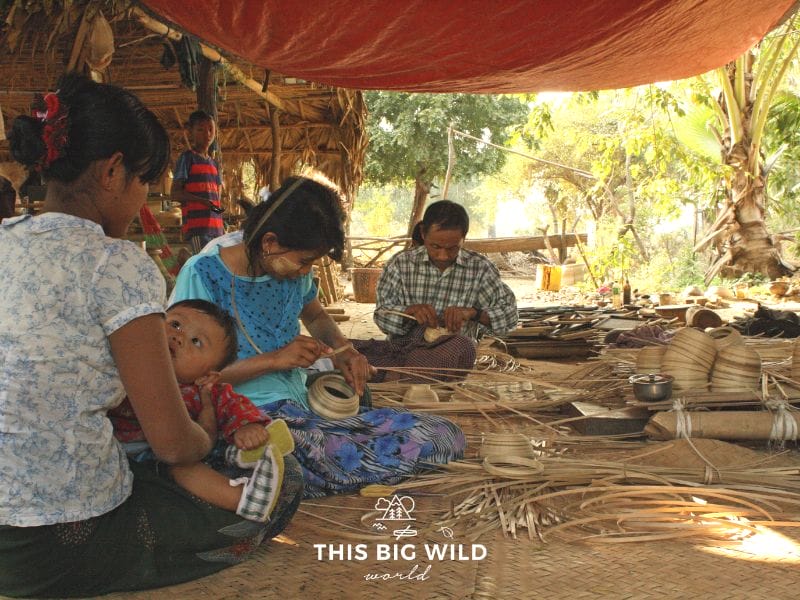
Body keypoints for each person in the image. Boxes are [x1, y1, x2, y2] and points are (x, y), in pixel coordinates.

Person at [0, 74, 302, 598]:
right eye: (145, 182)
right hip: (46, 546)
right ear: (114, 171)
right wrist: (206, 433)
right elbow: (170, 442)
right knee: (283, 484)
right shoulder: (118, 264)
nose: (144, 197)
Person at [171, 174, 466, 497]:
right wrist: (274, 360)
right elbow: (186, 378)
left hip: (302, 412)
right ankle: (255, 467)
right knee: (289, 451)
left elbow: (314, 314)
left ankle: (281, 473)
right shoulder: (203, 274)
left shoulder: (290, 273)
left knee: (444, 435)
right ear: (270, 243)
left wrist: (345, 352)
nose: (305, 271)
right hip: (243, 420)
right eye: (304, 261)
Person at [110, 299, 289, 524]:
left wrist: (247, 426)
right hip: (112, 454)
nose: (179, 337)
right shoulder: (126, 365)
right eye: (175, 324)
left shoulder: (203, 390)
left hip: (166, 460)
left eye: (196, 341)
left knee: (185, 469)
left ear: (207, 376)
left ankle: (243, 499)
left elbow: (235, 405)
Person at [355, 200, 518, 382]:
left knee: (462, 346)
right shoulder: (400, 264)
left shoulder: (480, 269)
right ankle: (404, 375)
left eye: (452, 248)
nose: (443, 255)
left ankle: (395, 376)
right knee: (347, 350)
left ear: (464, 238)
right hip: (402, 351)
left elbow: (510, 315)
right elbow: (381, 316)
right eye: (436, 247)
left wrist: (473, 313)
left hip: (448, 357)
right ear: (423, 234)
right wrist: (408, 312)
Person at [171, 110, 225, 254]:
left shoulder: (214, 164)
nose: (207, 134)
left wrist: (221, 226)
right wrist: (202, 201)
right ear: (190, 132)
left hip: (216, 229)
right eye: (200, 129)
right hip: (198, 228)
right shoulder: (188, 158)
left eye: (210, 129)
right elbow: (175, 193)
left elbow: (216, 198)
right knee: (203, 267)